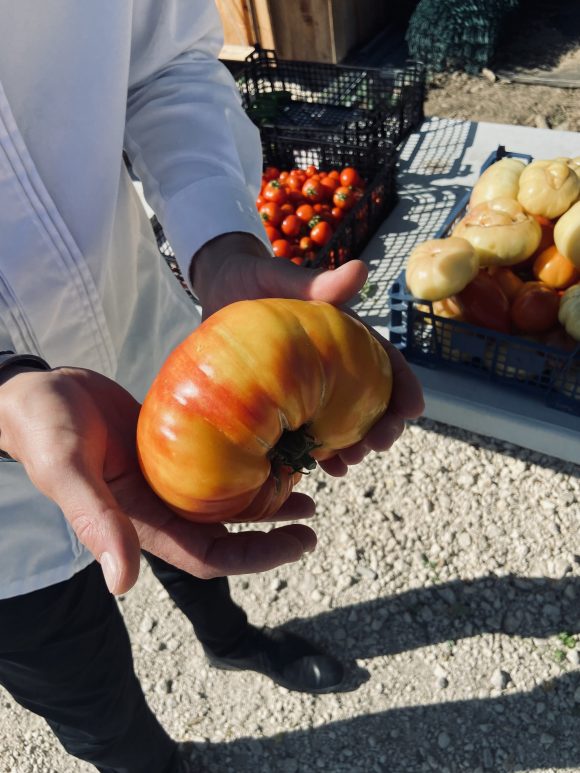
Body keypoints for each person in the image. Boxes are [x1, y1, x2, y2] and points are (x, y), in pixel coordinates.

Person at [0, 2, 424, 772]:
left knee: (199, 544)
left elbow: (163, 64)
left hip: (161, 357)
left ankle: (230, 642)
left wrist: (219, 239)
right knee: (82, 689)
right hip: (7, 528)